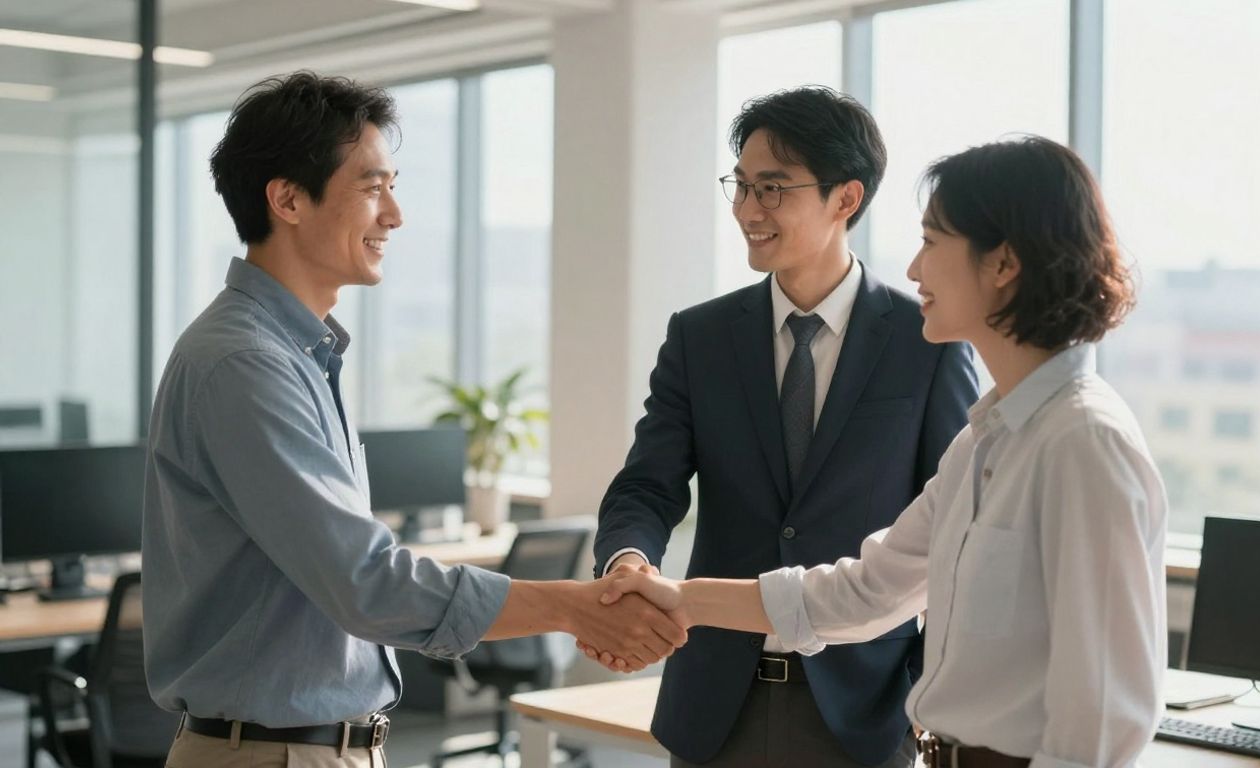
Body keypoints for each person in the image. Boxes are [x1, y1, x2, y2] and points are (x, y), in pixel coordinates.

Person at [142, 72, 685, 768]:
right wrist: (574, 606)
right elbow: (366, 583)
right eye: (372, 187)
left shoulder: (296, 353)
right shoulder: (244, 364)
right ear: (287, 199)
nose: (394, 214)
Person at [596, 136, 1168, 768]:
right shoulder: (984, 442)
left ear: (1002, 264)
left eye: (931, 242)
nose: (915, 268)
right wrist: (681, 598)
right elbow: (867, 591)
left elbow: (1107, 719)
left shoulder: (1085, 442)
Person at [587, 86, 978, 767]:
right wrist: (628, 564)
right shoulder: (700, 337)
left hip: (864, 710)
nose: (746, 211)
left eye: (772, 189)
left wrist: (930, 696)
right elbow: (647, 487)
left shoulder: (929, 344)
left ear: (845, 199)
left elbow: (953, 539)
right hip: (715, 704)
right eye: (739, 187)